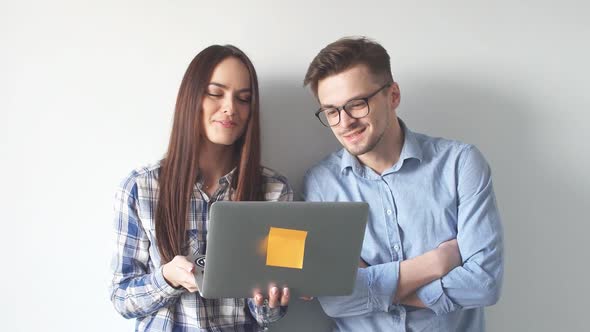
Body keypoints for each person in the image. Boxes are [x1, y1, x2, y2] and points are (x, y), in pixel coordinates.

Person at [302, 37, 503, 331]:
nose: (344, 122)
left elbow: (483, 284)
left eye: (357, 104)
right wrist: (434, 264)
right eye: (332, 111)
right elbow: (334, 301)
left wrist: (371, 288)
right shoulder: (322, 184)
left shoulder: (460, 165)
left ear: (393, 95)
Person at [110, 45, 292, 332]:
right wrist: (167, 278)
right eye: (215, 93)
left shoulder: (274, 192)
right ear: (191, 98)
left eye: (243, 99)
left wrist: (270, 301)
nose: (231, 108)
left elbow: (269, 315)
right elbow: (122, 298)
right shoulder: (141, 188)